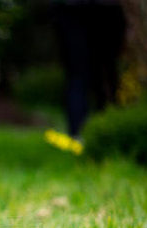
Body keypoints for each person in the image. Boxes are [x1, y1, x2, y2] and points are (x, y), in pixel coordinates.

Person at [52, 0, 126, 137]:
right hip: (105, 8)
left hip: (71, 8)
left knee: (78, 75)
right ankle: (106, 133)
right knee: (105, 74)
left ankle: (78, 135)